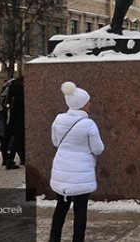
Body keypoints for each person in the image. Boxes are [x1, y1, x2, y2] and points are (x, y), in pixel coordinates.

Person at [49, 81, 105, 242]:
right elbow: (98, 149)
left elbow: (55, 142)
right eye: (88, 101)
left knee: (61, 207)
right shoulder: (88, 124)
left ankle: (54, 238)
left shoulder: (59, 119)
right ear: (82, 104)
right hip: (81, 173)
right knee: (80, 211)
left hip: (61, 170)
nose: (90, 103)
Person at [4, 75, 25, 169]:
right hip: (19, 119)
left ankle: (9, 160)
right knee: (17, 141)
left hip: (10, 120)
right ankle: (10, 161)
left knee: (15, 140)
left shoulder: (11, 92)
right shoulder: (20, 92)